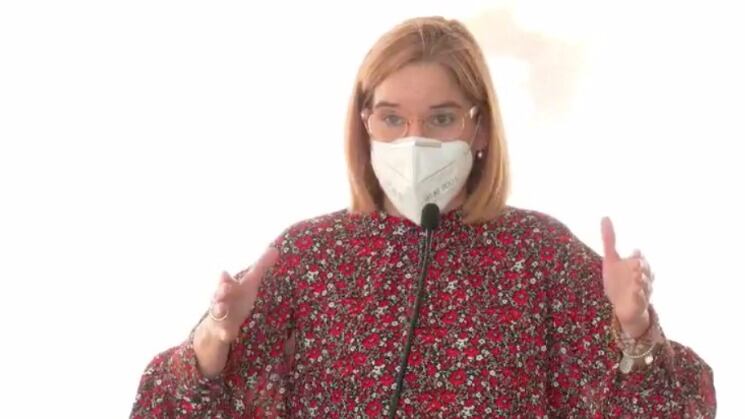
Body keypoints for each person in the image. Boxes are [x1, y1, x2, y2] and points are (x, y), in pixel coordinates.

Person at [130, 16, 715, 418]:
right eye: (392, 119)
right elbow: (166, 409)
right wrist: (215, 338)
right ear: (364, 124)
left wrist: (635, 327)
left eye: (440, 119)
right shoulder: (309, 256)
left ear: (478, 128)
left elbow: (674, 408)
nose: (414, 140)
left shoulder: (540, 253)